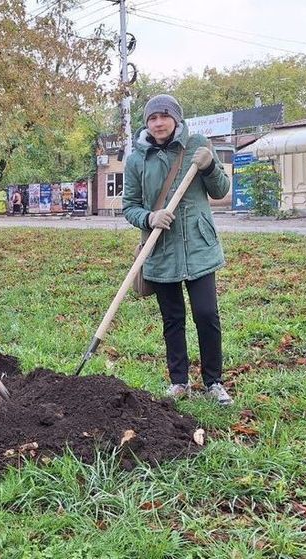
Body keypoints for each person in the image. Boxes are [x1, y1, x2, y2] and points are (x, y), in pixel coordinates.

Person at [122, 94, 233, 405]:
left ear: (176, 118)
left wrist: (210, 165)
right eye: (152, 118)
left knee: (207, 314)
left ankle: (213, 382)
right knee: (172, 318)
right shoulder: (136, 160)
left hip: (198, 247)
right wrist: (150, 216)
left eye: (164, 116)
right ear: (147, 123)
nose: (158, 123)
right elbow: (130, 206)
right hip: (161, 251)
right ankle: (179, 382)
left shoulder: (198, 144)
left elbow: (221, 190)